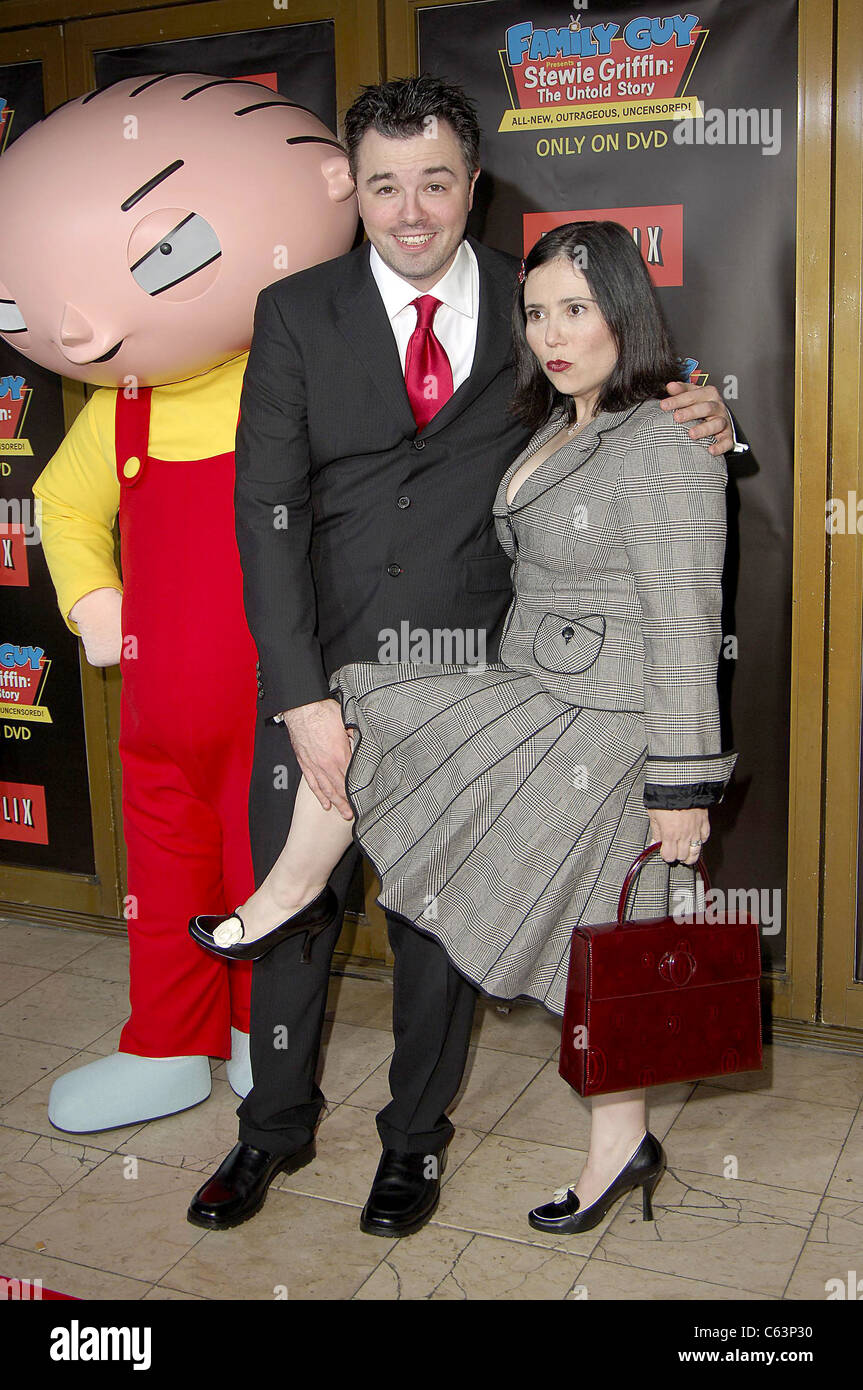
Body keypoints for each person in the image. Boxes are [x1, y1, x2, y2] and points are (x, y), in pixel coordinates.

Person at [187, 76, 735, 1238]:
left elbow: (625, 412)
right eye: (384, 185)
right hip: (322, 675)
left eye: (435, 181)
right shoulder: (294, 312)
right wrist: (298, 694)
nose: (411, 210)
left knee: (439, 925)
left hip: (482, 681)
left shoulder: (532, 305)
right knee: (291, 915)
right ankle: (269, 1130)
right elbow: (264, 510)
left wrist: (710, 417)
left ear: (471, 183)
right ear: (354, 189)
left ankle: (412, 1143)